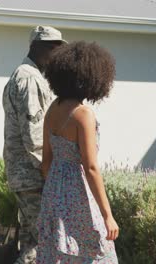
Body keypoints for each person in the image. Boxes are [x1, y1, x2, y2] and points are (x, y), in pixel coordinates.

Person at [37, 41, 119, 263]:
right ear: (91, 78)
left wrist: (56, 189)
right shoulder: (84, 114)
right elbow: (90, 167)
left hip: (54, 191)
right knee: (94, 252)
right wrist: (108, 216)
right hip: (79, 193)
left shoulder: (52, 109)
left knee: (59, 253)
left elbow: (46, 163)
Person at [2, 26, 66, 264]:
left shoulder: (26, 74)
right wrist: (50, 173)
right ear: (37, 47)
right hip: (33, 176)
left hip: (26, 175)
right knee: (47, 240)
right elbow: (34, 136)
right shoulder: (29, 78)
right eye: (53, 48)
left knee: (32, 246)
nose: (57, 54)